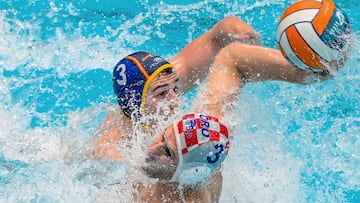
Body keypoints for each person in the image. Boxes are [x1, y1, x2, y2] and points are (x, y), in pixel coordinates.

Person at [81, 16, 333, 202]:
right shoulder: (112, 149)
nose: (175, 101)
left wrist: (237, 32)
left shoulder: (196, 133)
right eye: (161, 94)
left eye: (175, 88)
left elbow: (229, 52)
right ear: (134, 105)